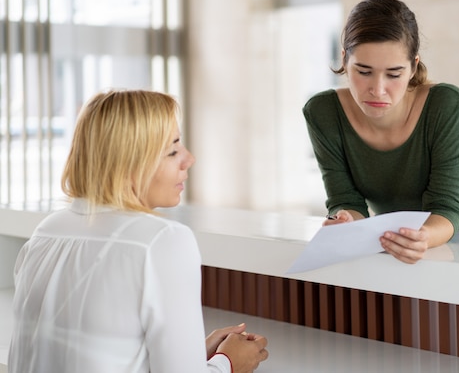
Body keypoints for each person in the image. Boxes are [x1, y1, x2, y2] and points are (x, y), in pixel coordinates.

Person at [8, 90, 269, 373]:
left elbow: (90, 349)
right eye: (173, 150)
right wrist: (228, 363)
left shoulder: (46, 232)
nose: (189, 159)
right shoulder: (163, 240)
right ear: (129, 163)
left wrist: (192, 351)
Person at [303, 0, 459, 265]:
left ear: (413, 66)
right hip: (392, 240)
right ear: (345, 60)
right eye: (364, 71)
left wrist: (421, 237)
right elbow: (346, 200)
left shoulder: (448, 106)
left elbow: (447, 208)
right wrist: (346, 222)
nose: (378, 89)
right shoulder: (323, 113)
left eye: (393, 74)